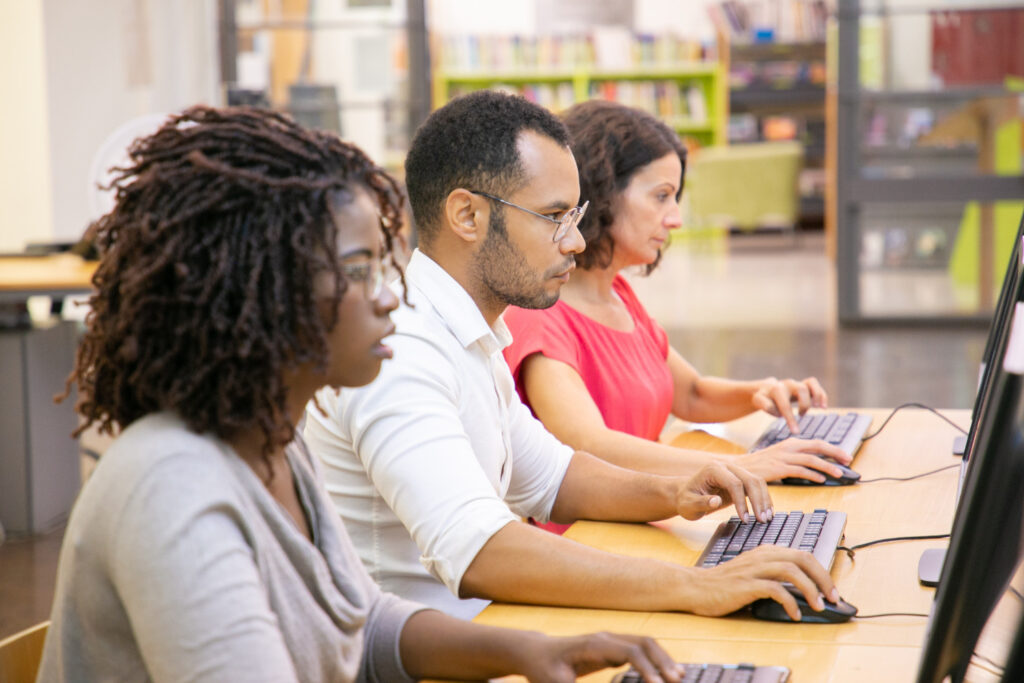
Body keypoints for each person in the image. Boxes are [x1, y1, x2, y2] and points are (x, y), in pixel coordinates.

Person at [37, 105, 685, 683]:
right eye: (357, 271)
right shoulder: (173, 488)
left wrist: (525, 652)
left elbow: (363, 625)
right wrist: (691, 584)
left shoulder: (273, 448)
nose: (387, 294)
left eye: (383, 262)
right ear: (261, 289)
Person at [303, 90, 841, 623]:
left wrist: (677, 491)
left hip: (490, 632)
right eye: (554, 216)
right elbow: (478, 552)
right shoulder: (402, 351)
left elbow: (553, 478)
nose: (577, 242)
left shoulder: (470, 331)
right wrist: (695, 585)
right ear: (467, 215)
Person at [502, 101, 850, 529]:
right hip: (590, 539)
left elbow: (692, 394)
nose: (676, 219)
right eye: (662, 196)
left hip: (646, 519)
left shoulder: (619, 295)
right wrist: (749, 466)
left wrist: (763, 391)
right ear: (603, 193)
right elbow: (588, 445)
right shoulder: (541, 314)